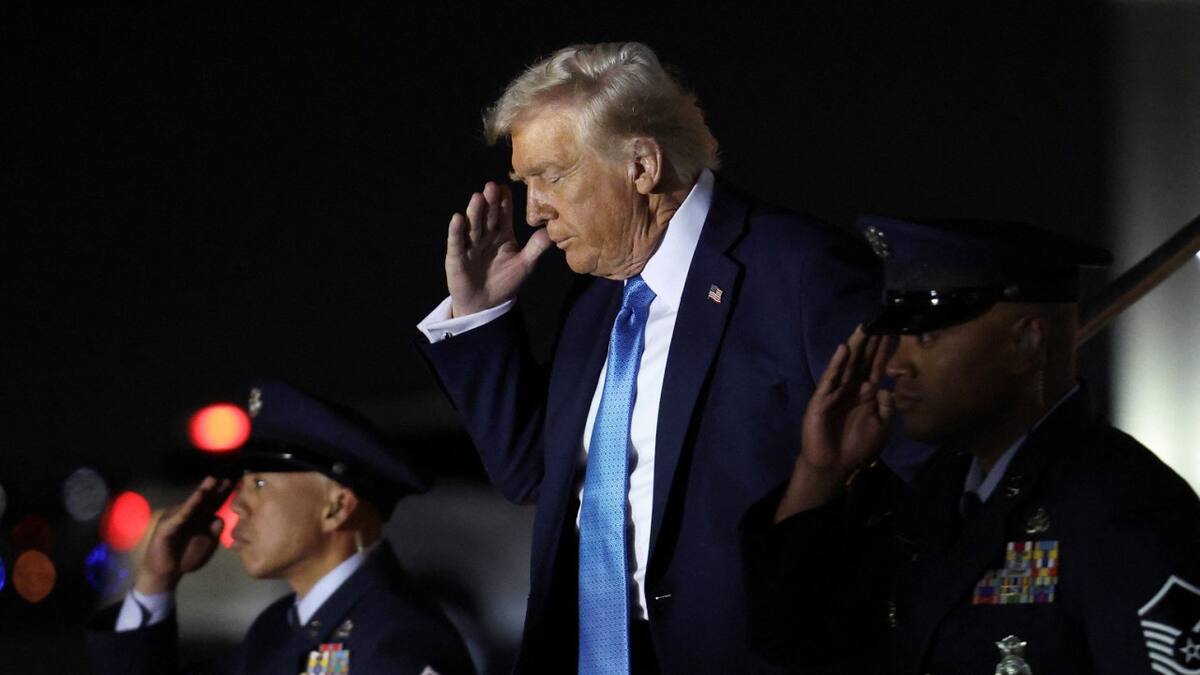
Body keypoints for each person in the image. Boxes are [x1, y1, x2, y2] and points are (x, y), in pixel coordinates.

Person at [415, 42, 910, 674]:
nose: (534, 210)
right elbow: (531, 475)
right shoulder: (596, 300)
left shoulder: (801, 273)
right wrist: (480, 312)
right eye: (525, 182)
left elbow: (908, 471)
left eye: (552, 175)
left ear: (642, 165)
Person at [742, 216, 1200, 674]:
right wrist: (820, 473)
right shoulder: (933, 495)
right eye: (899, 337)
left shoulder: (1126, 510)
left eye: (927, 337)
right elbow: (792, 638)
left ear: (1026, 342)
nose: (897, 364)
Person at [87, 380, 475, 675]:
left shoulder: (401, 643)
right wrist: (156, 580)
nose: (238, 505)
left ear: (336, 506)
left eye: (259, 484)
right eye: (241, 485)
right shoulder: (276, 628)